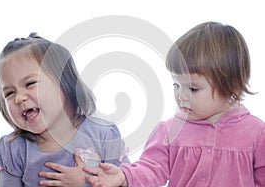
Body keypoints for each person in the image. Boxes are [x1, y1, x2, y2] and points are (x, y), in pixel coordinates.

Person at [83, 22, 265, 186]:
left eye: (193, 89)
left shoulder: (257, 133)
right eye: (176, 85)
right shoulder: (170, 131)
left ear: (231, 84)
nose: (181, 96)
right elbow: (151, 168)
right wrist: (124, 176)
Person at [0, 33, 129, 187]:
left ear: (64, 83)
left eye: (30, 83)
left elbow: (127, 182)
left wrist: (85, 183)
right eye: (10, 93)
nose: (19, 98)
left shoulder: (103, 136)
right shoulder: (13, 150)